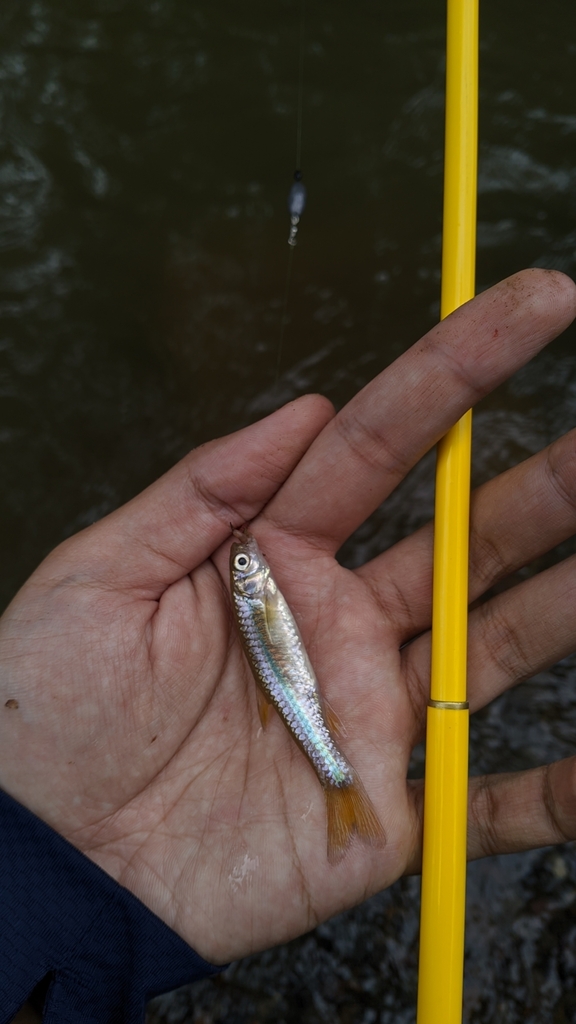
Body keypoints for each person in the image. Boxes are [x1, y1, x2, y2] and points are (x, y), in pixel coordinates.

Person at [2, 269, 576, 1023]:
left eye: (247, 566)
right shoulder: (253, 592)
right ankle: (339, 789)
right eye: (248, 569)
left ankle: (337, 789)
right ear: (252, 585)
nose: (250, 567)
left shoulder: (254, 594)